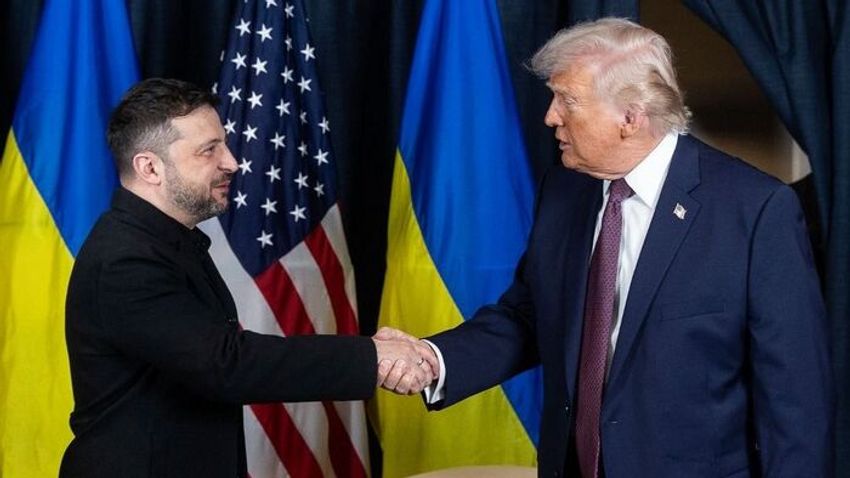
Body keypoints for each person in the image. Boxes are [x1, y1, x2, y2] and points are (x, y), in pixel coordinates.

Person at [379, 17, 833, 478]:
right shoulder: (564, 191)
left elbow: (795, 401)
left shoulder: (754, 211)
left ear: (630, 118)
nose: (551, 116)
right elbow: (529, 317)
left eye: (568, 100)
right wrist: (433, 360)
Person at [60, 78, 435, 478]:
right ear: (149, 167)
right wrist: (372, 356)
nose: (232, 162)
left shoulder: (168, 242)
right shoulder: (125, 260)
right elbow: (228, 365)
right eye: (209, 150)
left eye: (223, 144)